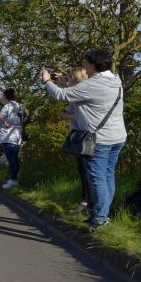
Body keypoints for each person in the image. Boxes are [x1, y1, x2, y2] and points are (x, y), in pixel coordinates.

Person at [43, 50, 126, 228]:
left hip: (99, 139)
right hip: (117, 136)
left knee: (97, 178)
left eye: (86, 63)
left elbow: (61, 95)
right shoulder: (115, 80)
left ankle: (100, 219)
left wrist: (47, 80)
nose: (84, 66)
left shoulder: (94, 84)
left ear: (93, 65)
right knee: (107, 175)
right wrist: (64, 82)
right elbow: (83, 94)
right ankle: (103, 213)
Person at [56, 67, 93, 215]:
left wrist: (64, 115)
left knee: (86, 171)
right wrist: (62, 83)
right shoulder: (82, 90)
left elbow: (80, 115)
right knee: (84, 170)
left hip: (85, 136)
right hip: (82, 135)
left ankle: (88, 204)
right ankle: (88, 203)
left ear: (77, 78)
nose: (68, 78)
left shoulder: (82, 92)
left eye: (70, 76)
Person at [0, 88, 24, 189]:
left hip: (7, 136)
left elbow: (1, 117)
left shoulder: (7, 106)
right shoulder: (19, 106)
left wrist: (5, 122)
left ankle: (13, 180)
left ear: (6, 97)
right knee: (15, 159)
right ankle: (14, 178)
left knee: (11, 159)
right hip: (17, 135)